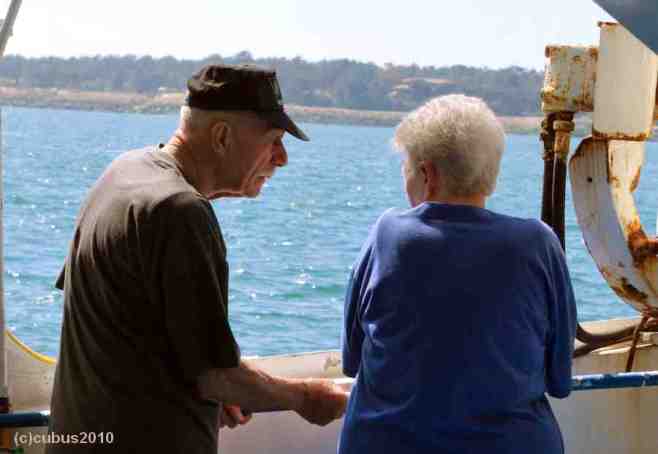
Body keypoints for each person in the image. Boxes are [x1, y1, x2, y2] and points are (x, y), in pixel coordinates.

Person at [47, 64, 348, 454]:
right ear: (222, 137)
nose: (282, 158)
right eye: (274, 140)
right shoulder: (180, 211)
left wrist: (215, 386)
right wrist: (305, 397)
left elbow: (125, 322)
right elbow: (216, 376)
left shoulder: (124, 172)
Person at [339, 95, 577, 454]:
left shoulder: (387, 234)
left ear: (427, 174)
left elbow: (352, 359)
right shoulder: (538, 243)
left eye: (406, 167)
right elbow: (559, 378)